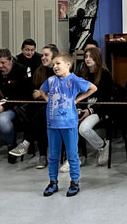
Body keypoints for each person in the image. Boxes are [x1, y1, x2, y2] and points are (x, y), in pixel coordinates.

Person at [39, 52, 97, 197]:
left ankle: (74, 182)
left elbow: (93, 88)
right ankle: (53, 181)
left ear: (68, 64)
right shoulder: (51, 80)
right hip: (52, 123)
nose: (55, 67)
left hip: (69, 123)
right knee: (53, 155)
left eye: (58, 63)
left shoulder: (74, 79)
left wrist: (77, 100)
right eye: (53, 64)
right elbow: (42, 90)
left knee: (72, 154)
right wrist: (47, 99)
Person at [9, 44, 58, 169]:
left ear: (54, 57)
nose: (43, 57)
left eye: (46, 55)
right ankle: (41, 155)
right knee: (37, 117)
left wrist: (42, 94)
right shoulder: (39, 71)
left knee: (41, 114)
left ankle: (26, 143)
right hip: (41, 105)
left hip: (58, 107)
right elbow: (34, 92)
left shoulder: (60, 71)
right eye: (42, 55)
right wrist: (42, 94)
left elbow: (60, 93)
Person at [72, 46, 114, 168]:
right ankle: (79, 156)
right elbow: (77, 95)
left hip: (99, 109)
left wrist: (89, 111)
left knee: (84, 129)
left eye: (91, 57)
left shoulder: (105, 75)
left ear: (97, 58)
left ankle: (102, 146)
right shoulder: (82, 74)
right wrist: (79, 108)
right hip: (84, 107)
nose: (87, 59)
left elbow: (106, 99)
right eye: (86, 57)